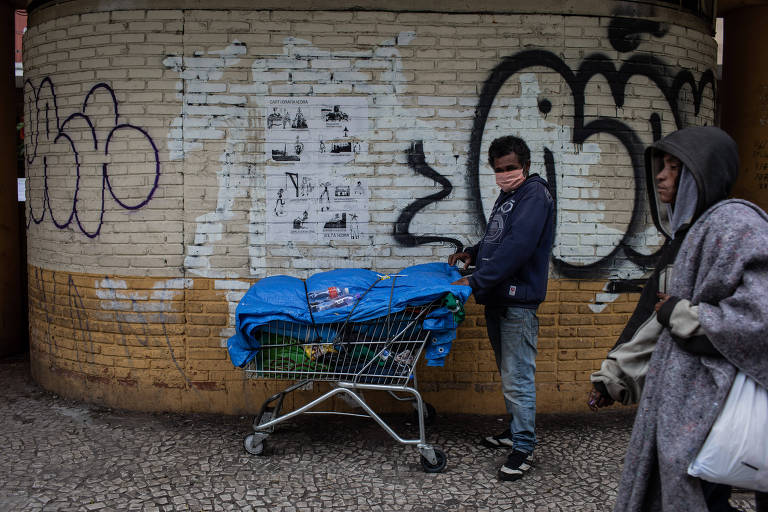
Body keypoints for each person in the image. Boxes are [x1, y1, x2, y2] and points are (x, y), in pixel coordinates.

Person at [588, 126, 768, 511]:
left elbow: (760, 317)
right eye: (662, 166)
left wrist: (685, 316)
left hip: (719, 401)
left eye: (675, 167)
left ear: (704, 173)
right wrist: (614, 376)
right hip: (689, 403)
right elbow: (656, 318)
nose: (661, 176)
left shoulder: (737, 225)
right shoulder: (688, 235)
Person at [449, 135, 555, 482]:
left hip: (517, 300)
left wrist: (474, 282)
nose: (505, 174)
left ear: (524, 164)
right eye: (499, 169)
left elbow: (518, 248)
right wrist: (473, 253)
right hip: (499, 297)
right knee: (509, 373)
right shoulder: (509, 196)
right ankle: (514, 430)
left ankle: (523, 446)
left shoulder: (534, 195)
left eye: (510, 168)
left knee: (518, 377)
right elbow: (497, 239)